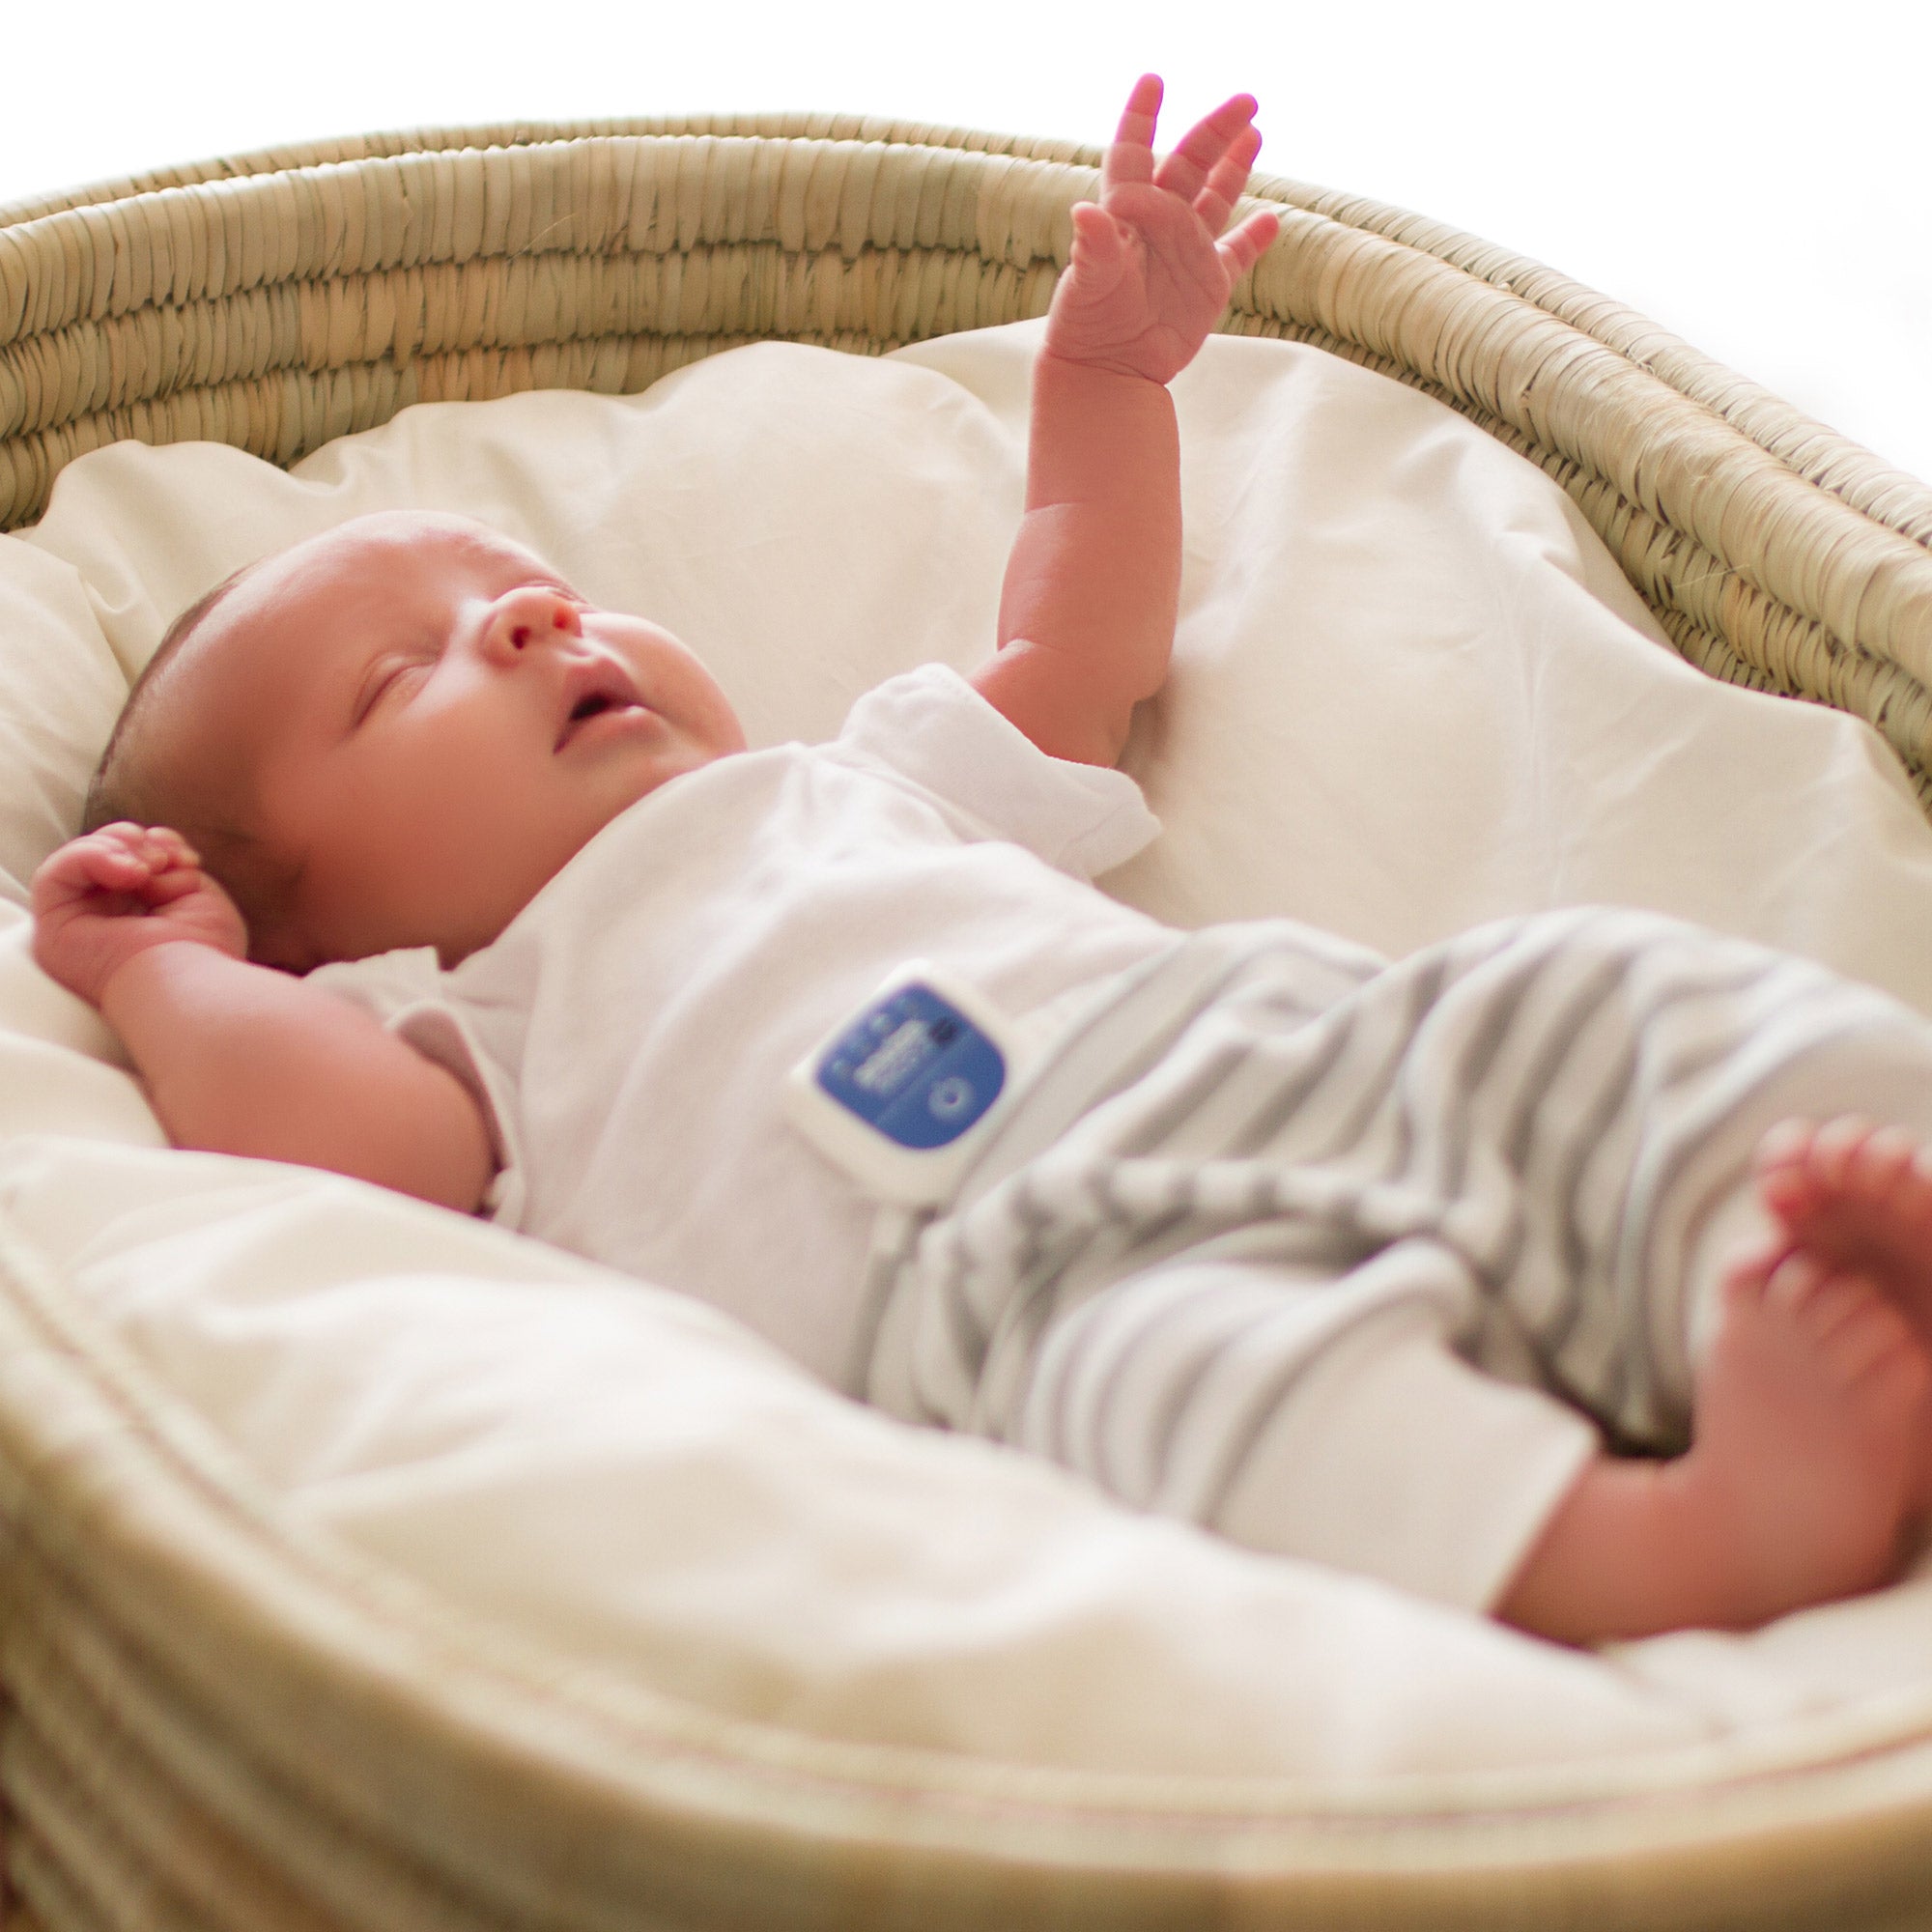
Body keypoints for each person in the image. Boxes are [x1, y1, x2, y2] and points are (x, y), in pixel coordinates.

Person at [28, 75, 1932, 1649]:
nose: (529, 624)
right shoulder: (474, 1040)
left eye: (534, 593)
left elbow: (1075, 643)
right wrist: (163, 963)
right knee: (1209, 1404)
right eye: (397, 679)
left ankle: (1800, 1216)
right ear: (322, 941)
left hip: (1300, 1042)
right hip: (1032, 1275)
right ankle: (1689, 1539)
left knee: (1587, 1004)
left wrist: (1103, 381)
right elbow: (327, 1145)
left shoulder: (855, 783)